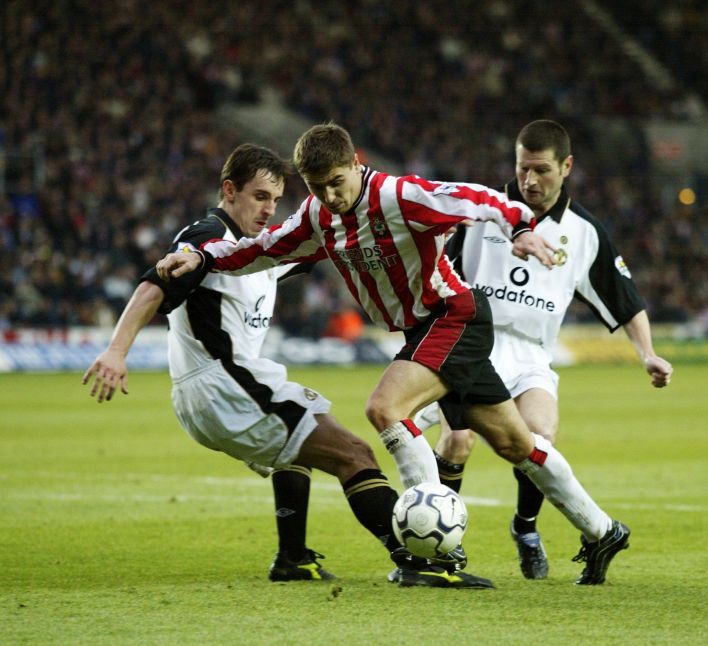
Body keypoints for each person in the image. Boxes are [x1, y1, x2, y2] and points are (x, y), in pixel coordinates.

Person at [157, 123, 633, 585]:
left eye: (337, 184)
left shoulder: (400, 196)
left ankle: (433, 551)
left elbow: (477, 198)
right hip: (424, 330)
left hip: (454, 317)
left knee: (385, 408)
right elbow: (261, 250)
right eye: (318, 188)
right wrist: (203, 257)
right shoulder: (317, 216)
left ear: (357, 165)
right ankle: (603, 531)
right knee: (516, 443)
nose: (330, 197)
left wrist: (520, 228)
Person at [82, 143, 491, 588]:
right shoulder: (206, 237)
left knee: (297, 444)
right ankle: (417, 559)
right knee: (353, 455)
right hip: (225, 385)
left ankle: (292, 558)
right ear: (229, 190)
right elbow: (155, 286)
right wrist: (116, 351)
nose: (269, 209)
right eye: (259, 197)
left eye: (276, 199)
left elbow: (319, 245)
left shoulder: (254, 249)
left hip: (218, 391)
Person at [416, 119, 673, 581]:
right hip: (476, 342)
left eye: (541, 170)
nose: (529, 181)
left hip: (532, 352)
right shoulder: (482, 210)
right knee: (458, 440)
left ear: (566, 167)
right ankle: (440, 546)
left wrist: (647, 354)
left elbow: (626, 300)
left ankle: (526, 528)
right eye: (522, 169)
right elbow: (434, 267)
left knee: (540, 437)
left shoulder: (585, 233)